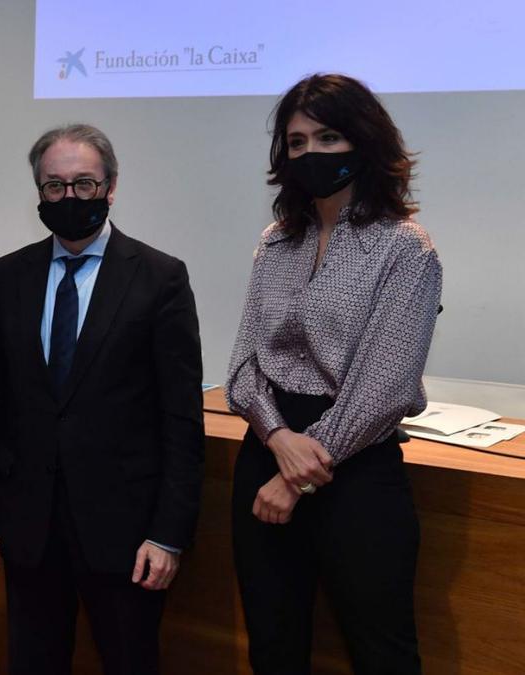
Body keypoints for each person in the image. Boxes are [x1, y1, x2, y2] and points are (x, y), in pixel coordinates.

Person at [0, 123, 204, 674]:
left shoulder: (159, 278)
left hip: (126, 535)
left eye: (84, 184)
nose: (70, 197)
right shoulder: (6, 276)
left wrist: (168, 534)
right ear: (39, 192)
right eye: (55, 186)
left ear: (111, 188)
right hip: (28, 529)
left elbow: (180, 420)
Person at [225, 73, 442, 674]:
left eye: (328, 137)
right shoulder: (277, 241)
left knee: (383, 654)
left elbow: (387, 389)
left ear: (363, 142)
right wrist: (276, 438)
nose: (311, 154)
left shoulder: (405, 247)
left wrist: (297, 476)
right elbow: (243, 367)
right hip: (267, 450)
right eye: (296, 143)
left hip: (356, 469)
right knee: (273, 648)